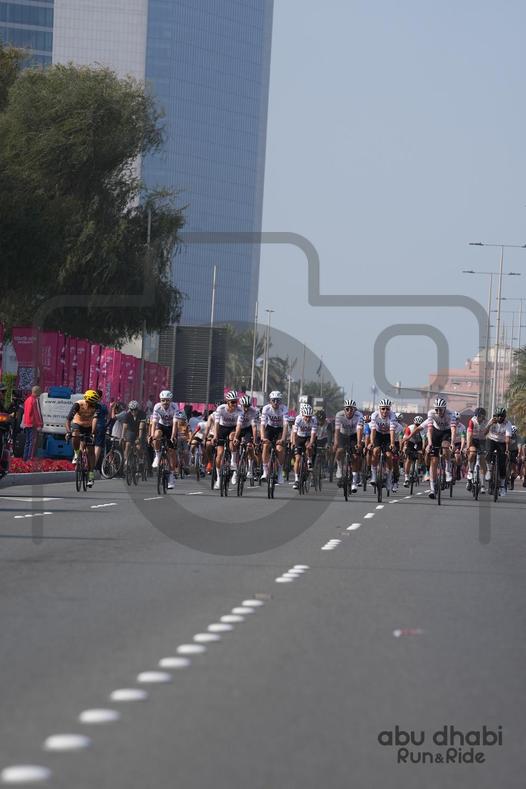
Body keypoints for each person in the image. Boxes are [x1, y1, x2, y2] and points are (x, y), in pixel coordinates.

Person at [65, 389, 101, 487]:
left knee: (91, 452)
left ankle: (91, 476)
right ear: (87, 401)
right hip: (78, 424)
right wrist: (68, 432)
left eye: (95, 402)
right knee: (75, 434)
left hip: (89, 427)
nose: (94, 404)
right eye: (92, 403)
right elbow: (68, 420)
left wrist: (93, 433)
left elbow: (95, 420)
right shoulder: (78, 404)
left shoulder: (97, 406)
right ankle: (76, 453)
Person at [22, 386, 43, 461]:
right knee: (32, 442)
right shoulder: (34, 401)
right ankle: (29, 458)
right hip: (32, 424)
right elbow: (36, 414)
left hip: (26, 423)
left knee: (27, 441)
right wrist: (39, 424)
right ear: (37, 392)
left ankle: (25, 457)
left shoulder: (27, 400)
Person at [93, 388, 108, 470]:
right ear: (101, 397)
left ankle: (81, 460)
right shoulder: (103, 406)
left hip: (89, 425)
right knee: (98, 446)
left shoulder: (90, 404)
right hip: (100, 427)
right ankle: (93, 465)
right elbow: (108, 417)